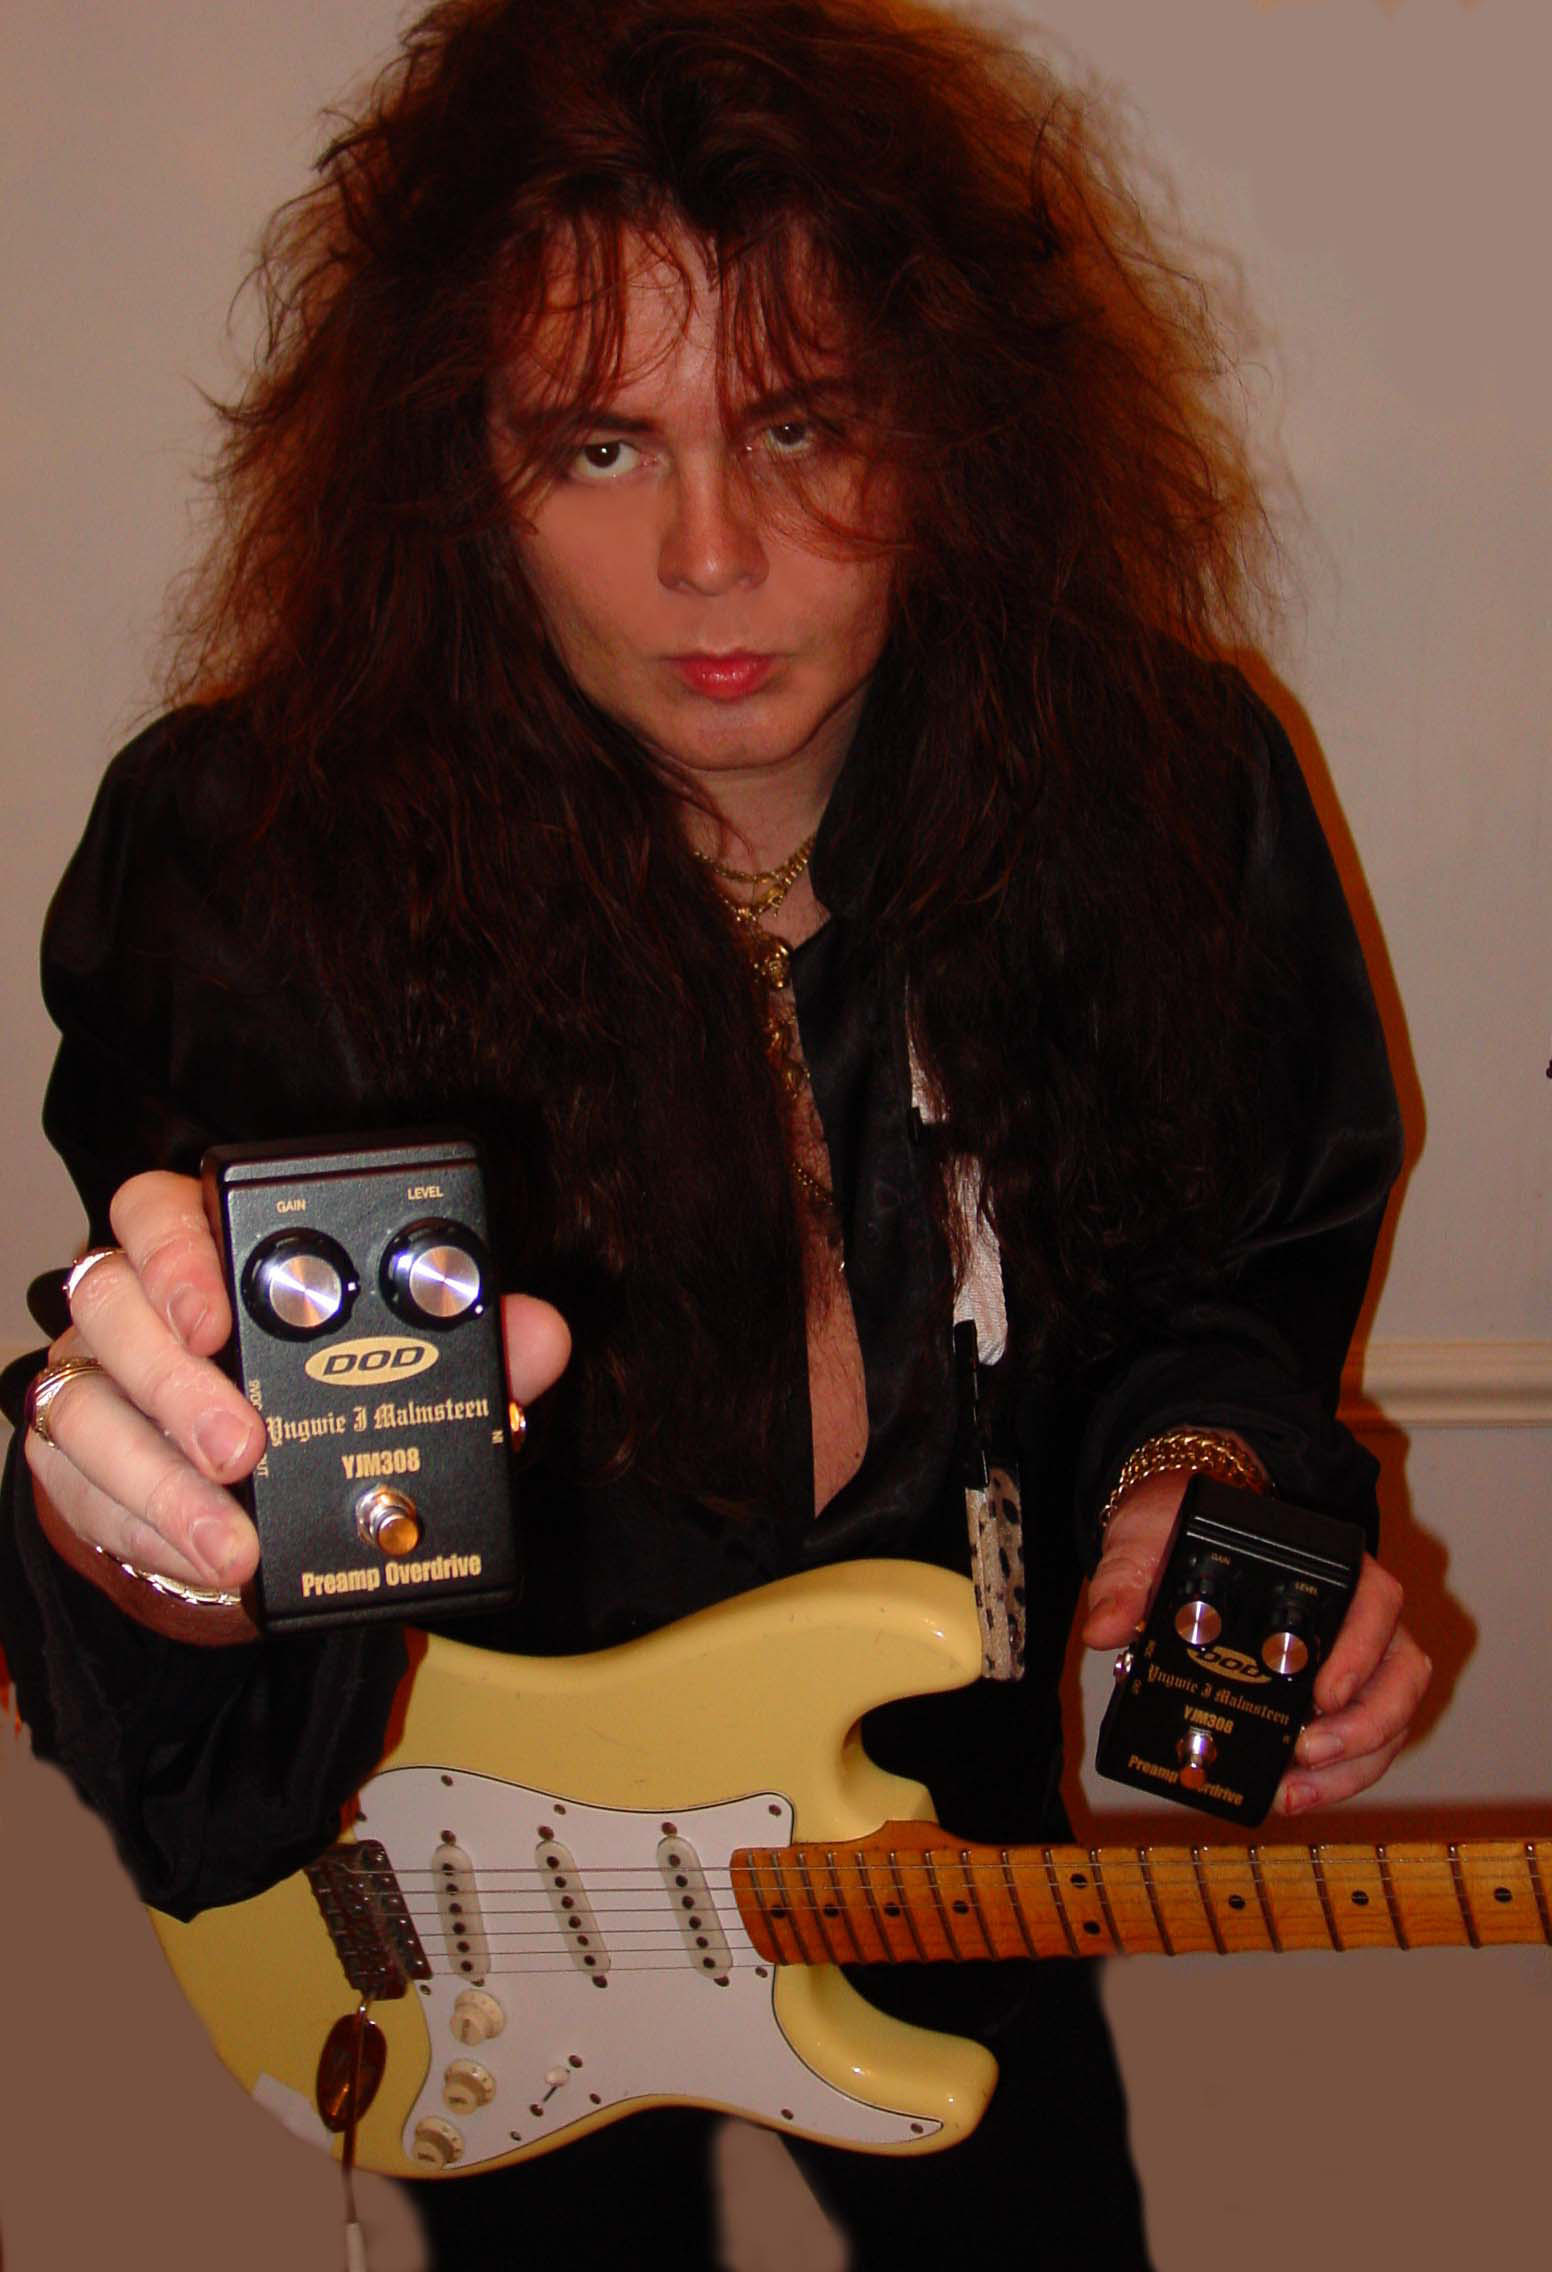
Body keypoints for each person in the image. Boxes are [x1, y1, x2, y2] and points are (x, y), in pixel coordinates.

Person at [0, 1, 1429, 2264]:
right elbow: (224, 1482)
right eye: (596, 445)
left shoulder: (1161, 793)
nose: (709, 555)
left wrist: (1197, 1477)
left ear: (955, 434)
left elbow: (1215, 1270)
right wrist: (142, 1545)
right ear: (453, 471)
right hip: (469, 1849)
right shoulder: (253, 861)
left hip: (942, 1807)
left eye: (799, 425)